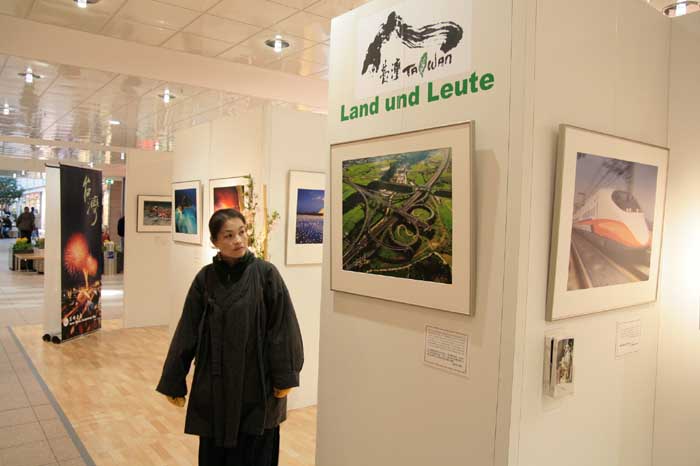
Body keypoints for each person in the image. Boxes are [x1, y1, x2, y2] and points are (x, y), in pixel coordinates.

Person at [156, 208, 304, 466]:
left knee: (256, 451)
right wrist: (174, 379)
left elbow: (283, 327)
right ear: (215, 241)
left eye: (242, 232)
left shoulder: (266, 275)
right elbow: (187, 330)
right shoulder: (205, 279)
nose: (238, 240)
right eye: (228, 235)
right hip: (215, 384)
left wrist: (286, 375)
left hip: (257, 384)